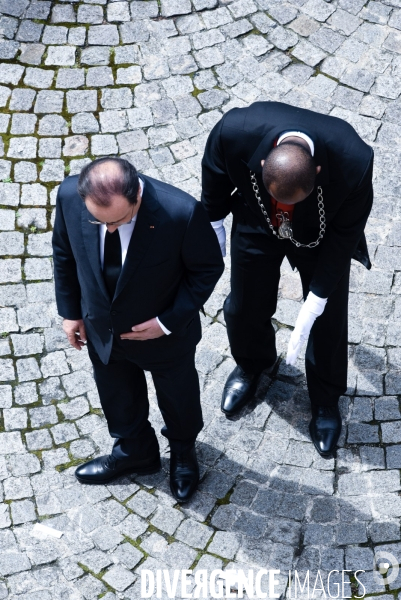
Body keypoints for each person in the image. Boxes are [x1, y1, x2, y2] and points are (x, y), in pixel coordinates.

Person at [201, 101, 373, 458]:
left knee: (325, 321)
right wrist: (213, 222)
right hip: (255, 216)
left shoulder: (353, 161)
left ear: (320, 171)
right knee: (245, 301)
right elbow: (214, 172)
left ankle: (325, 401)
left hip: (321, 235)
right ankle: (253, 364)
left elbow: (344, 236)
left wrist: (318, 297)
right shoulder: (235, 129)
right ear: (263, 163)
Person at [52, 157, 224, 502]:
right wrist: (71, 312)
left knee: (178, 397)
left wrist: (166, 323)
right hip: (102, 327)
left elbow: (207, 269)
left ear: (138, 197)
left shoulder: (181, 213)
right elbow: (64, 253)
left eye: (118, 220)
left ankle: (183, 452)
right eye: (100, 222)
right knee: (116, 393)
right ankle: (135, 451)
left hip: (164, 336)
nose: (110, 229)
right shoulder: (70, 195)